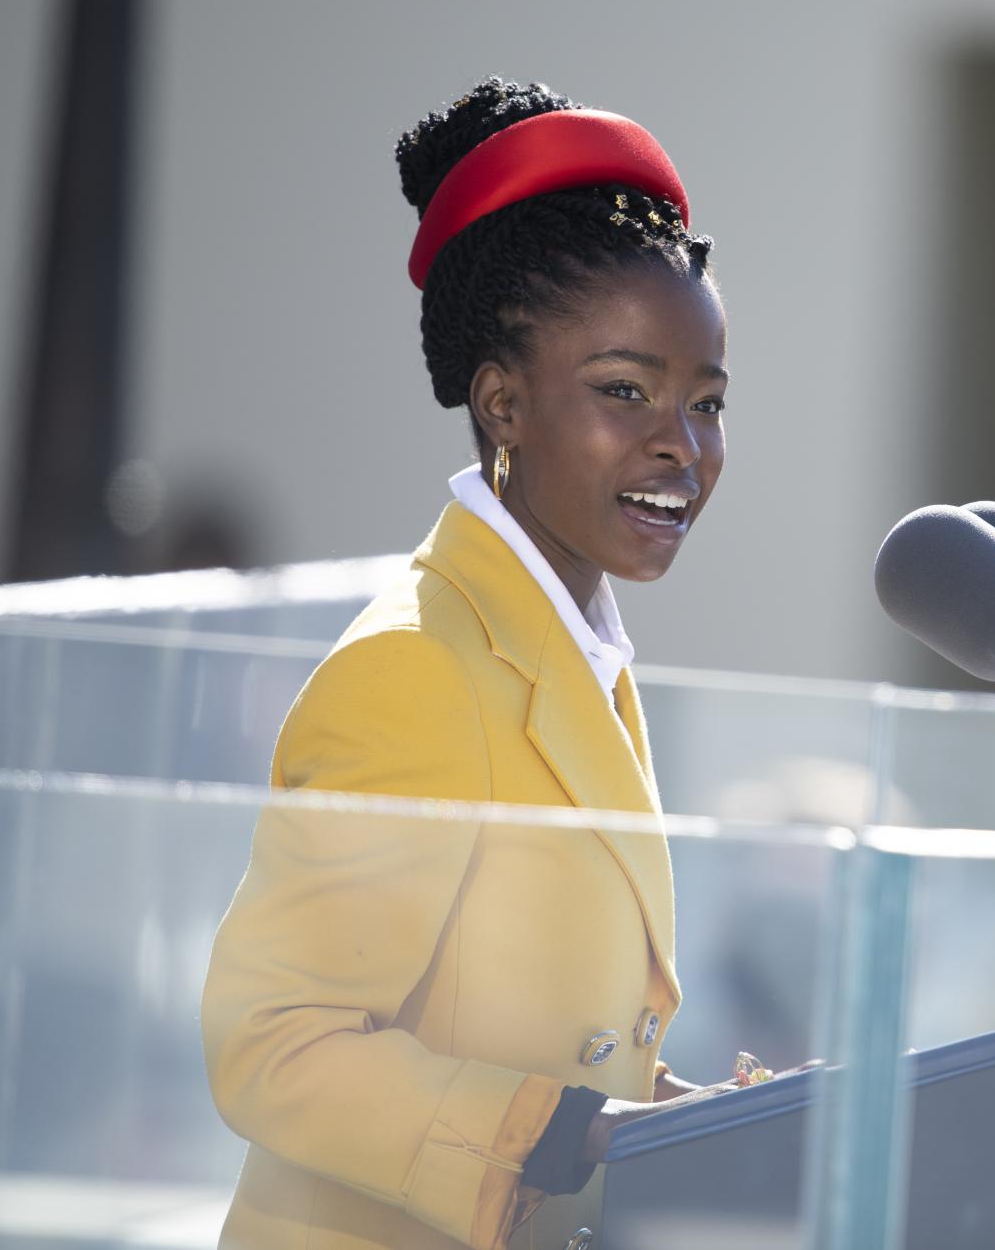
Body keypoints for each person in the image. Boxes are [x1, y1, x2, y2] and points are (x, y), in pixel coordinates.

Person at [201, 77, 737, 1250]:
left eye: (705, 402)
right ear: (501, 403)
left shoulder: (565, 648)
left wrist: (668, 1119)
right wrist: (556, 1133)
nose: (681, 447)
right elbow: (273, 1040)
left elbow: (535, 1032)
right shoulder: (416, 671)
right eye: (624, 391)